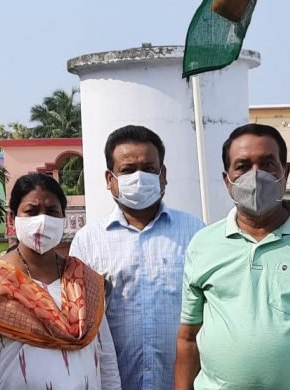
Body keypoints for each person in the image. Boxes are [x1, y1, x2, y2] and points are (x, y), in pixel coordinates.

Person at [174, 123, 290, 390]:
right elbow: (188, 338)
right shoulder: (203, 245)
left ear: (285, 173)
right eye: (243, 166)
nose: (255, 175)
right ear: (227, 180)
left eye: (267, 164)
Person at [70, 125, 205, 390]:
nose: (139, 178)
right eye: (128, 170)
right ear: (109, 179)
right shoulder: (88, 242)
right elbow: (79, 320)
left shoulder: (195, 232)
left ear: (163, 175)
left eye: (149, 169)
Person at [0, 173, 121, 389]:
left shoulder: (85, 281)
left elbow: (106, 360)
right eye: (31, 211)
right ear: (12, 219)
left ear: (63, 219)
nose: (42, 220)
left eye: (52, 211)